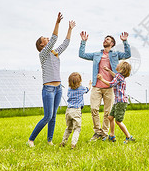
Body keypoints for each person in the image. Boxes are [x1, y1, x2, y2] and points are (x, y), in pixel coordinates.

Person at [28, 12, 76, 147]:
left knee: (53, 116)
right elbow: (54, 38)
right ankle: (31, 140)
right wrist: (57, 23)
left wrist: (70, 29)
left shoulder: (55, 53)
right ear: (42, 45)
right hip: (48, 89)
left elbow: (65, 44)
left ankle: (49, 141)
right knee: (48, 116)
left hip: (58, 88)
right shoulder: (43, 54)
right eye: (45, 39)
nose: (48, 39)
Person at [79, 31, 131, 141]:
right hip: (96, 86)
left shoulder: (115, 54)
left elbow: (128, 54)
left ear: (112, 43)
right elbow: (82, 55)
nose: (104, 40)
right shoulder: (96, 54)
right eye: (104, 39)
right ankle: (98, 132)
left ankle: (105, 133)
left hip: (109, 87)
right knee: (94, 109)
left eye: (107, 39)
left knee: (108, 112)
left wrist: (125, 41)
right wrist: (83, 42)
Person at [97, 61, 135, 144]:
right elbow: (115, 77)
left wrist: (101, 79)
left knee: (118, 121)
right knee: (110, 117)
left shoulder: (118, 76)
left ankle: (129, 137)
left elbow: (111, 84)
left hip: (121, 102)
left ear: (121, 69)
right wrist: (109, 71)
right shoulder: (120, 76)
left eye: (119, 64)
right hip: (118, 101)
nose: (117, 64)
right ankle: (112, 135)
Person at [59, 73, 91, 149]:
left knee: (69, 128)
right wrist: (90, 85)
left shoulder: (69, 89)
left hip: (68, 111)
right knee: (77, 129)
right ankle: (73, 144)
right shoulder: (81, 88)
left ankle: (63, 142)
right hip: (76, 111)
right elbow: (87, 89)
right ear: (80, 81)